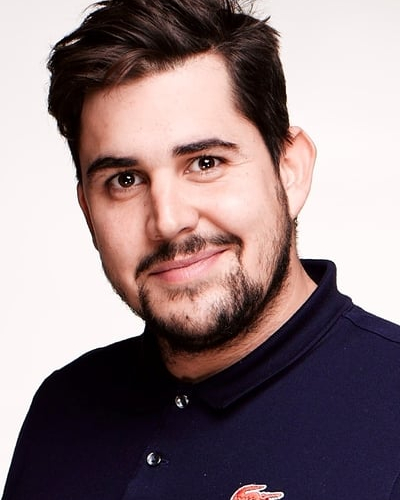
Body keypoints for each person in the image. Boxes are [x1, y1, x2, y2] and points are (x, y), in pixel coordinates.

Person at [2, 0, 400, 498]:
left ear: (289, 169)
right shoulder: (62, 409)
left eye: (206, 163)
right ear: (87, 209)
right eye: (124, 180)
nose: (168, 221)